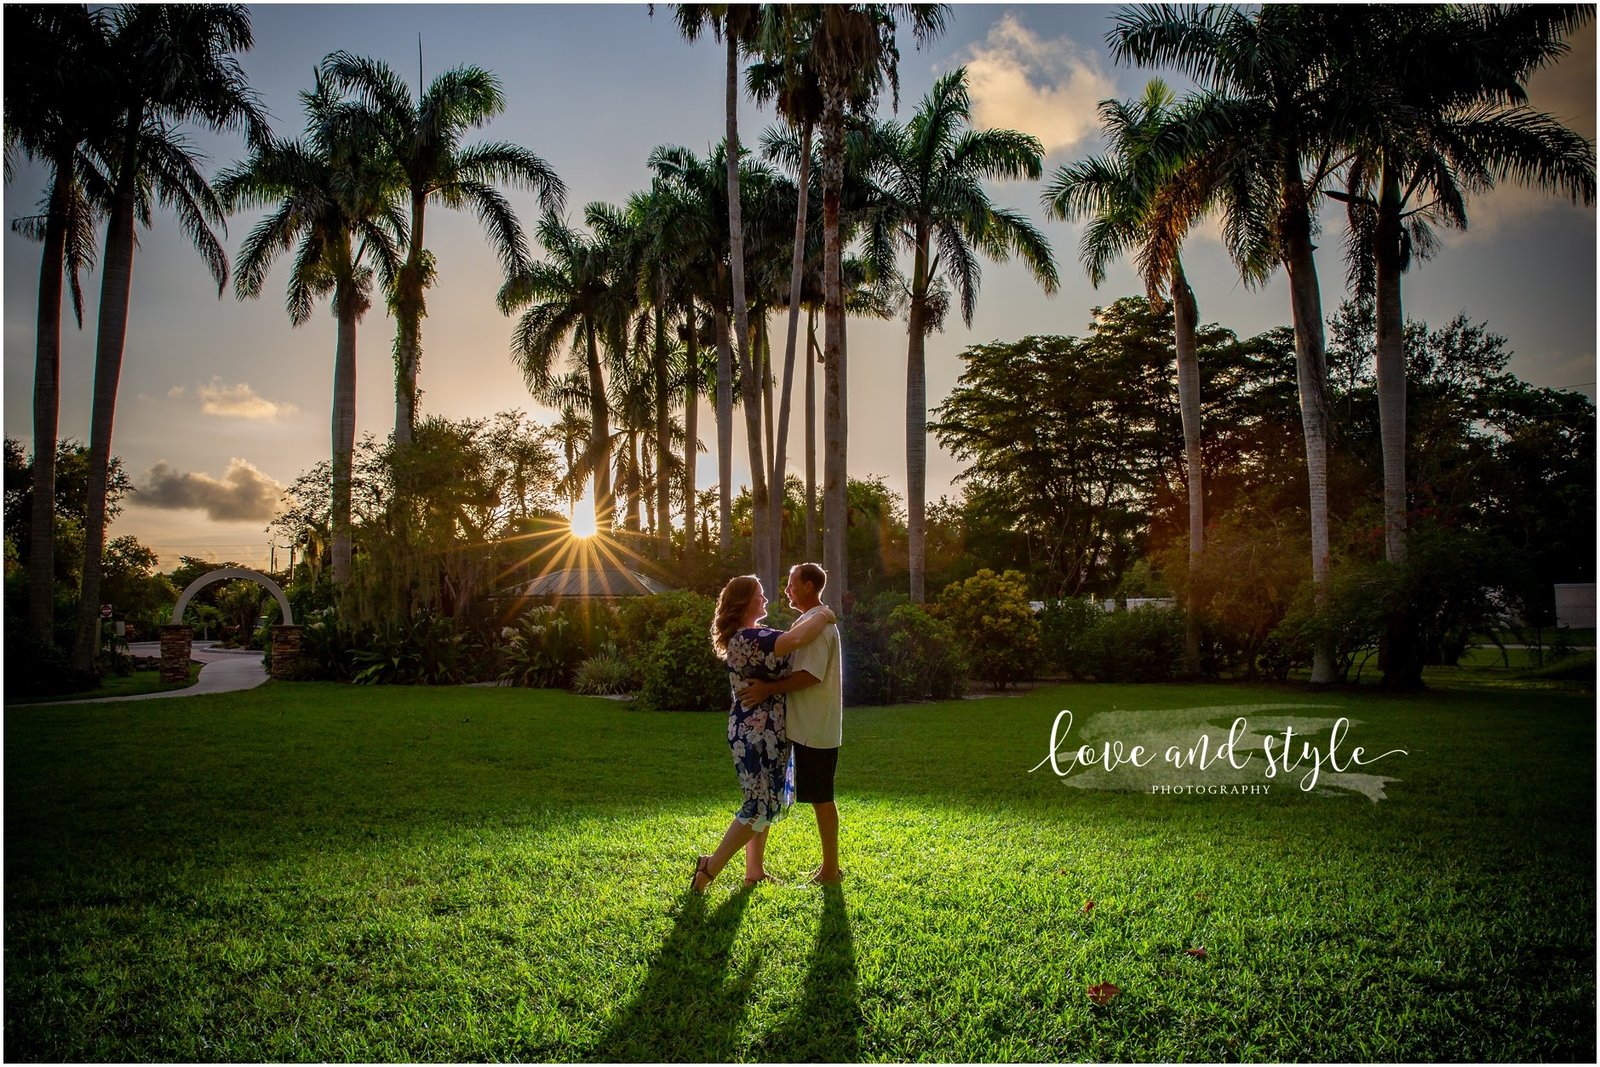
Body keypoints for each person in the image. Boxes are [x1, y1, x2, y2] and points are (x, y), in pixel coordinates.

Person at [692, 574, 836, 893]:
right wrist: (825, 613)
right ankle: (709, 867)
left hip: (770, 730)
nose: (766, 599)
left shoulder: (756, 634)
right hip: (754, 732)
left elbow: (795, 638)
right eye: (760, 594)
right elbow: (797, 640)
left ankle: (754, 872)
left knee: (765, 800)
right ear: (744, 603)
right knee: (757, 804)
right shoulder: (746, 638)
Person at [738, 563, 844, 885]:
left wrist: (766, 689)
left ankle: (830, 870)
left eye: (792, 584)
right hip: (798, 727)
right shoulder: (809, 621)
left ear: (809, 586)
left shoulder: (819, 624)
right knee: (772, 794)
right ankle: (754, 871)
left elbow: (810, 676)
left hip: (814, 729)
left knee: (821, 797)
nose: (786, 590)